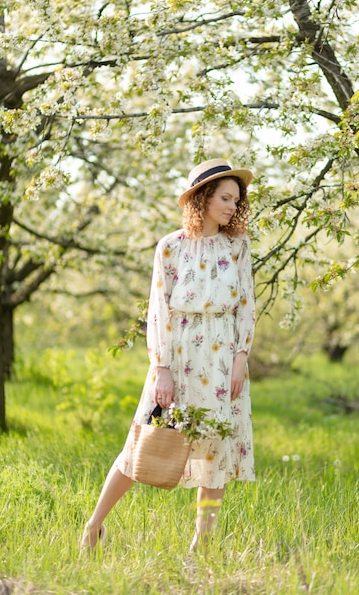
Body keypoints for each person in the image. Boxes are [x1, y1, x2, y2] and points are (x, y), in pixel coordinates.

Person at [80, 158, 256, 553]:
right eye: (224, 197)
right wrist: (160, 367)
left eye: (236, 199)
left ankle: (201, 547)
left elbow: (247, 303)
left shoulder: (238, 245)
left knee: (216, 449)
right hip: (179, 354)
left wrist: (241, 359)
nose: (232, 205)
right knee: (141, 443)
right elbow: (159, 308)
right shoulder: (171, 247)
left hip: (224, 357)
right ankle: (93, 526)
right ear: (203, 197)